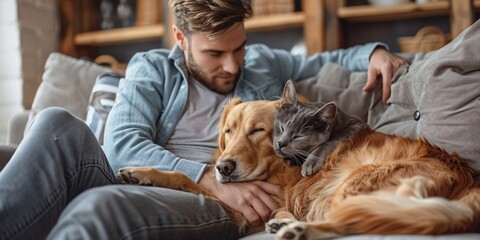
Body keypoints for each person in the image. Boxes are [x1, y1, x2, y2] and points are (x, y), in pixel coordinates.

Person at [0, 0, 407, 239]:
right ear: (181, 39)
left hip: (214, 202)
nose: (232, 65)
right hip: (174, 179)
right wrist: (206, 174)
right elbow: (122, 145)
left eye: (239, 48)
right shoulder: (151, 69)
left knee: (99, 206)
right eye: (215, 54)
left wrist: (373, 52)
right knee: (55, 124)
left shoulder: (262, 62)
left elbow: (325, 60)